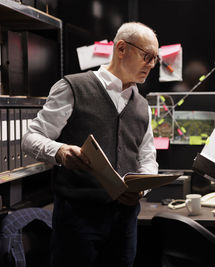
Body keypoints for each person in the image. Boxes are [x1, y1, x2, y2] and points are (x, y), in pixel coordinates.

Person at [22, 22, 159, 267]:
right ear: (121, 49)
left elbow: (147, 157)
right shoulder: (74, 87)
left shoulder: (143, 106)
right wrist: (60, 151)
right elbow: (30, 138)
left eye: (155, 59)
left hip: (125, 220)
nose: (151, 65)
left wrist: (143, 187)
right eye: (147, 56)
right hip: (77, 218)